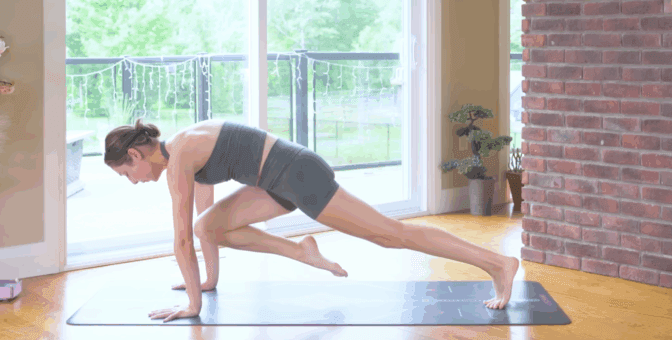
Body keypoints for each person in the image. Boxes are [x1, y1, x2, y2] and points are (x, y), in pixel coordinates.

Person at [104, 118, 520, 323]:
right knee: (207, 225)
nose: (132, 182)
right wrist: (209, 282)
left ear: (137, 155)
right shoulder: (182, 150)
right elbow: (203, 223)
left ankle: (498, 264)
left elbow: (179, 240)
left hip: (298, 175)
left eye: (126, 173)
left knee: (392, 235)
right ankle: (303, 250)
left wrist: (193, 306)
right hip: (276, 180)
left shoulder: (180, 158)